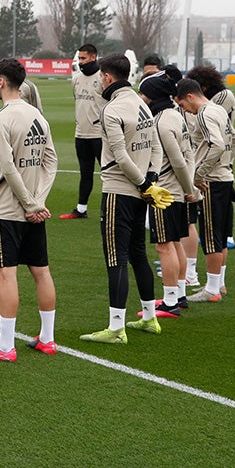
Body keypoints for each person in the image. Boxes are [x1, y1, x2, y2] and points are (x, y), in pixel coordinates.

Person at [79, 54, 172, 345]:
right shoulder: (142, 105)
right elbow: (155, 144)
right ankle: (148, 317)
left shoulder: (112, 109)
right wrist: (151, 180)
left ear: (107, 77)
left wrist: (145, 183)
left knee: (116, 258)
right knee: (138, 254)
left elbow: (120, 156)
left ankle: (116, 328)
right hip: (142, 192)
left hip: (120, 191)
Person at [0, 59, 57, 362]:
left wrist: (30, 204)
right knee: (41, 271)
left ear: (2, 81)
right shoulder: (38, 116)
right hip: (34, 208)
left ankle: (5, 347)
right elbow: (51, 162)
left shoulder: (0, 118)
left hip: (7, 209)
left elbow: (7, 167)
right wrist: (38, 200)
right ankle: (47, 338)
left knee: (5, 275)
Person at [174, 78, 235, 303]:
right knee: (221, 235)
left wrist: (200, 174)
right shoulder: (219, 110)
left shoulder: (204, 113)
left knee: (211, 237)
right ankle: (219, 284)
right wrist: (226, 164)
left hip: (211, 181)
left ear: (190, 96)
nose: (185, 111)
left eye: (183, 105)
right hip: (225, 177)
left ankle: (211, 290)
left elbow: (217, 144)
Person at [137, 73, 196, 318]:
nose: (141, 99)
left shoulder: (161, 122)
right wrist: (188, 187)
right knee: (174, 242)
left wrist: (188, 189)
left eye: (143, 94)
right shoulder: (176, 115)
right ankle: (179, 295)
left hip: (166, 192)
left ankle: (170, 300)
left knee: (164, 245)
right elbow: (189, 155)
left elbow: (178, 160)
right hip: (178, 191)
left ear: (152, 97)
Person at [185, 65, 235, 249]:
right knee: (215, 237)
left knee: (214, 238)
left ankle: (228, 235)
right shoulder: (208, 105)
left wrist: (225, 161)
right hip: (215, 158)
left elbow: (221, 140)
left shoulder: (217, 102)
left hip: (216, 164)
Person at [61, 44, 105, 219]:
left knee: (109, 175)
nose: (80, 62)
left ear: (93, 57)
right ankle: (81, 209)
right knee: (85, 172)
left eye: (84, 58)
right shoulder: (76, 78)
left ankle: (107, 210)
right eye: (79, 58)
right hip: (81, 134)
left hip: (100, 135)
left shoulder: (102, 78)